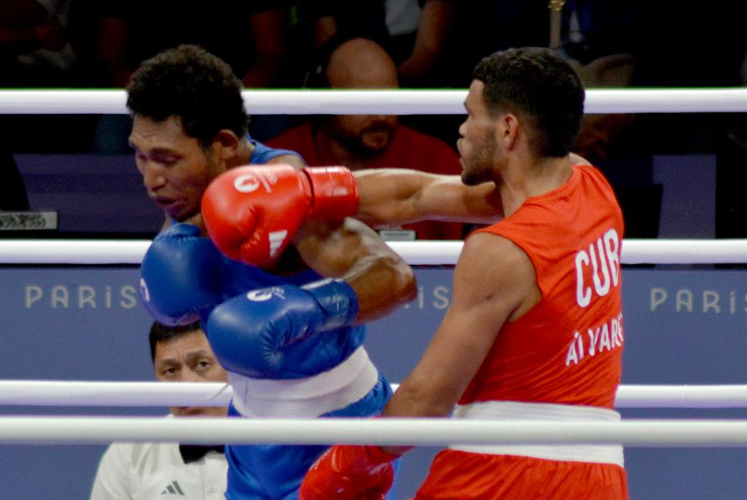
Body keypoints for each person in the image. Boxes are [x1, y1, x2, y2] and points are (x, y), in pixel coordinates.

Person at [222, 46, 627, 499]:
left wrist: (352, 457)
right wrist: (307, 191)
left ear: (508, 129)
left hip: (504, 472)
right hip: (599, 472)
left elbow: (428, 399)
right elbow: (419, 194)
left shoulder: (501, 252)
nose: (462, 129)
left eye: (471, 115)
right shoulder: (589, 185)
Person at [128, 44, 416, 500]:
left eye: (165, 159)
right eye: (140, 156)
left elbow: (395, 277)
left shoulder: (283, 195)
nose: (150, 179)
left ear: (223, 146)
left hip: (331, 429)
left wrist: (310, 308)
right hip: (250, 426)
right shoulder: (185, 195)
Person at [268, 37, 464, 240]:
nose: (380, 116)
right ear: (321, 98)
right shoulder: (276, 164)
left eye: (389, 99)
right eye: (364, 101)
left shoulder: (436, 159)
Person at [90, 322, 229, 500]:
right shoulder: (129, 452)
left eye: (202, 364)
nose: (186, 385)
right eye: (170, 371)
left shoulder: (272, 444)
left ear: (232, 366)